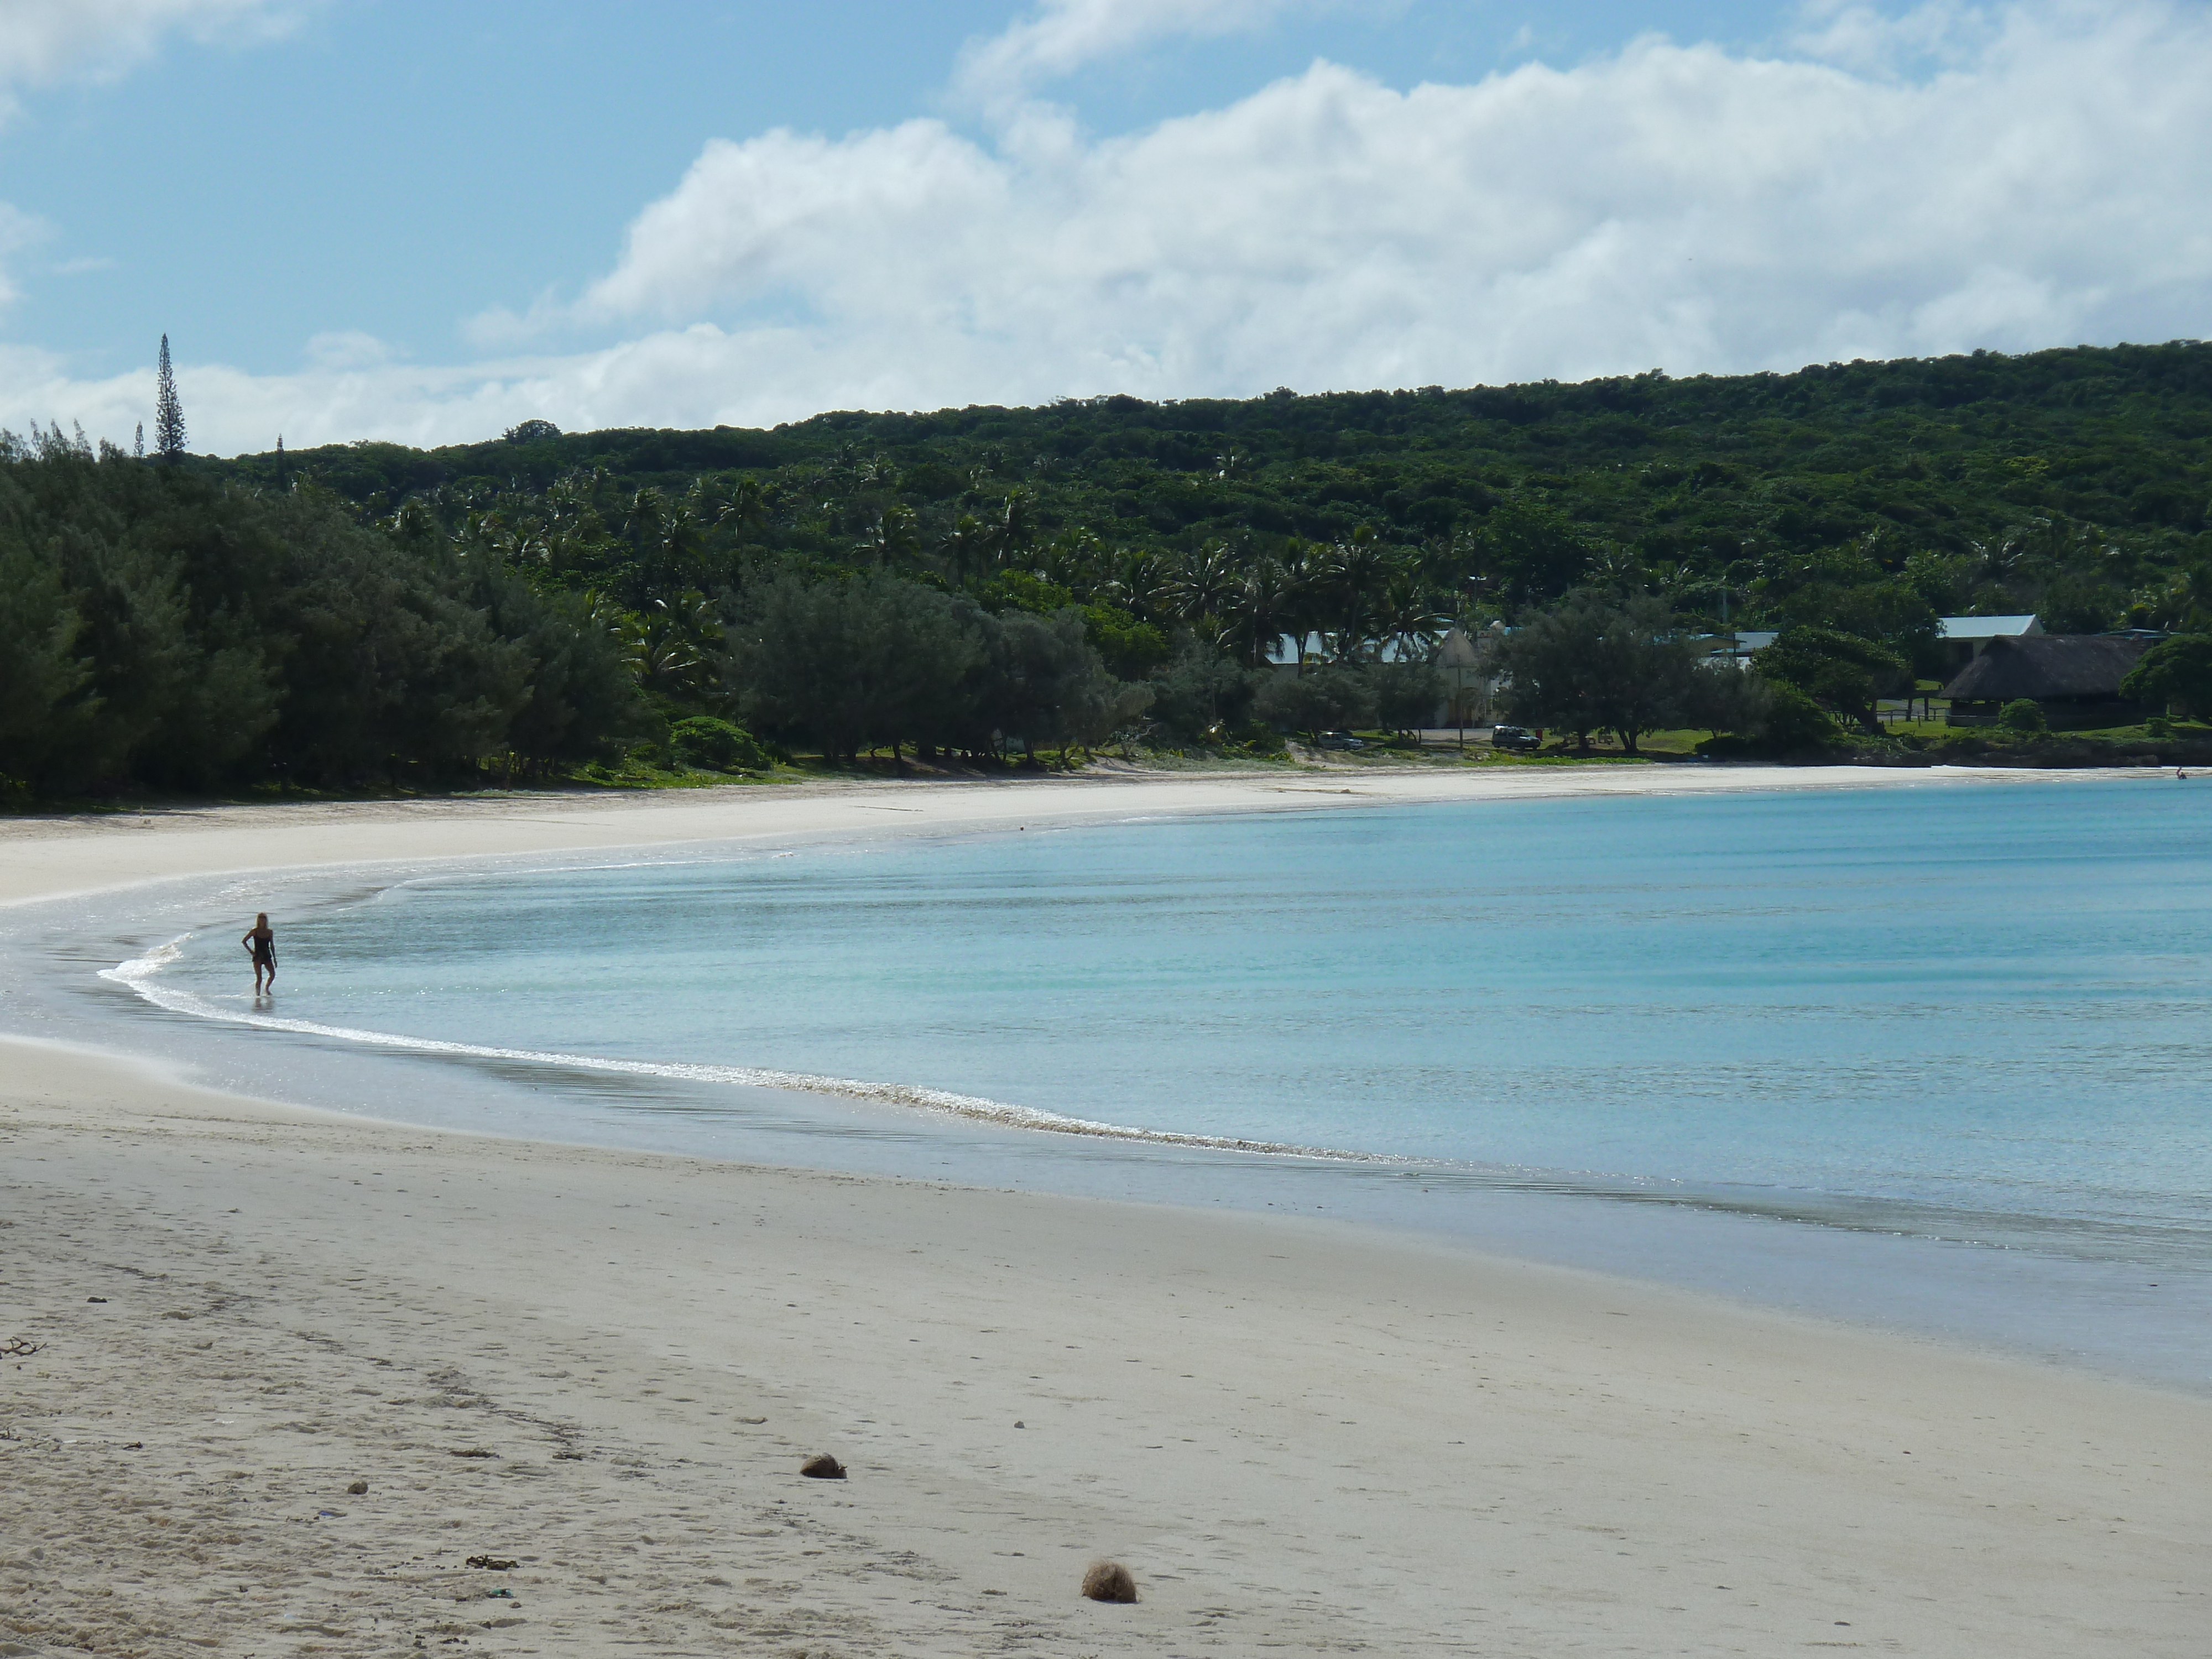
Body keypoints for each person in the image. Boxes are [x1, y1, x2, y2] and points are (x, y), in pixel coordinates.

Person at [242, 913, 277, 994]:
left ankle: (267, 989)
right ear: (258, 920)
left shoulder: (269, 932)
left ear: (266, 920)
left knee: (272, 974)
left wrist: (275, 959)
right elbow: (244, 941)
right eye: (260, 918)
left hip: (267, 955)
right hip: (257, 956)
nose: (262, 920)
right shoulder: (255, 931)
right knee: (259, 978)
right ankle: (258, 995)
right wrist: (251, 952)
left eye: (264, 918)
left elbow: (272, 945)